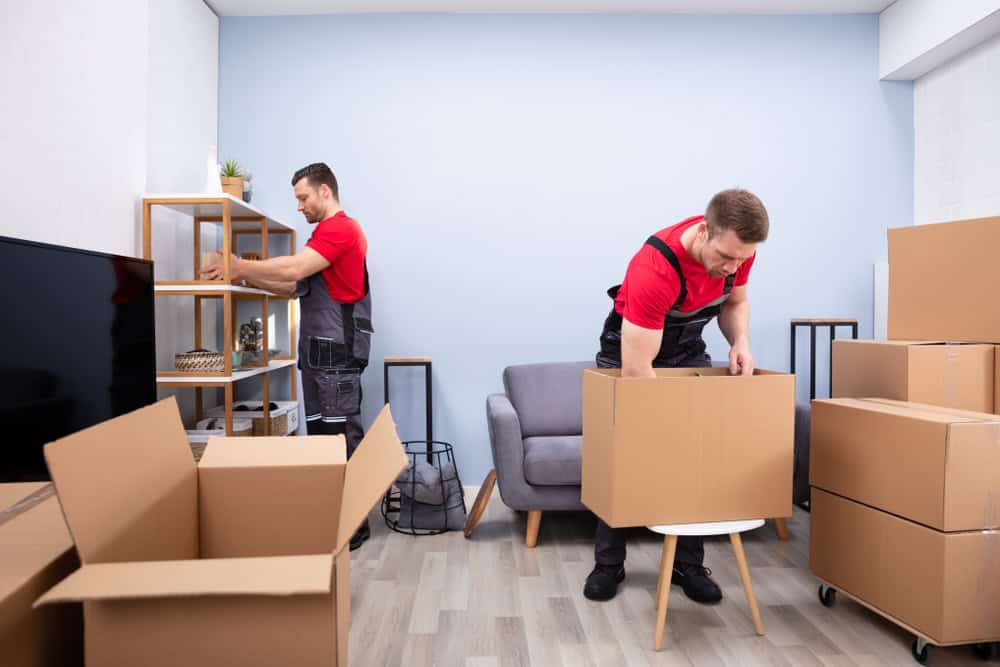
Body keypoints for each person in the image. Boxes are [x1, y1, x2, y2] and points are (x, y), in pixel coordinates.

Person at [583, 188, 769, 603]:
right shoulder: (655, 269)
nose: (732, 267)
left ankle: (688, 565)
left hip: (686, 347)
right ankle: (608, 564)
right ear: (704, 232)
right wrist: (661, 427)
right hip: (630, 351)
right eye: (726, 257)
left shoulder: (739, 247)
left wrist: (740, 341)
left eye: (741, 259)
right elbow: (637, 369)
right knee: (625, 452)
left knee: (693, 454)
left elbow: (735, 303)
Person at [201, 162, 374, 550]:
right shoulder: (322, 238)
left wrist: (240, 264)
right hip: (316, 357)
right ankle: (333, 522)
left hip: (336, 358)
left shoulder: (341, 229)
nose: (299, 206)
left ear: (325, 191)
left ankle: (354, 526)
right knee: (322, 443)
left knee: (339, 440)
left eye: (303, 197)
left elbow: (294, 267)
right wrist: (242, 276)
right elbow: (291, 284)